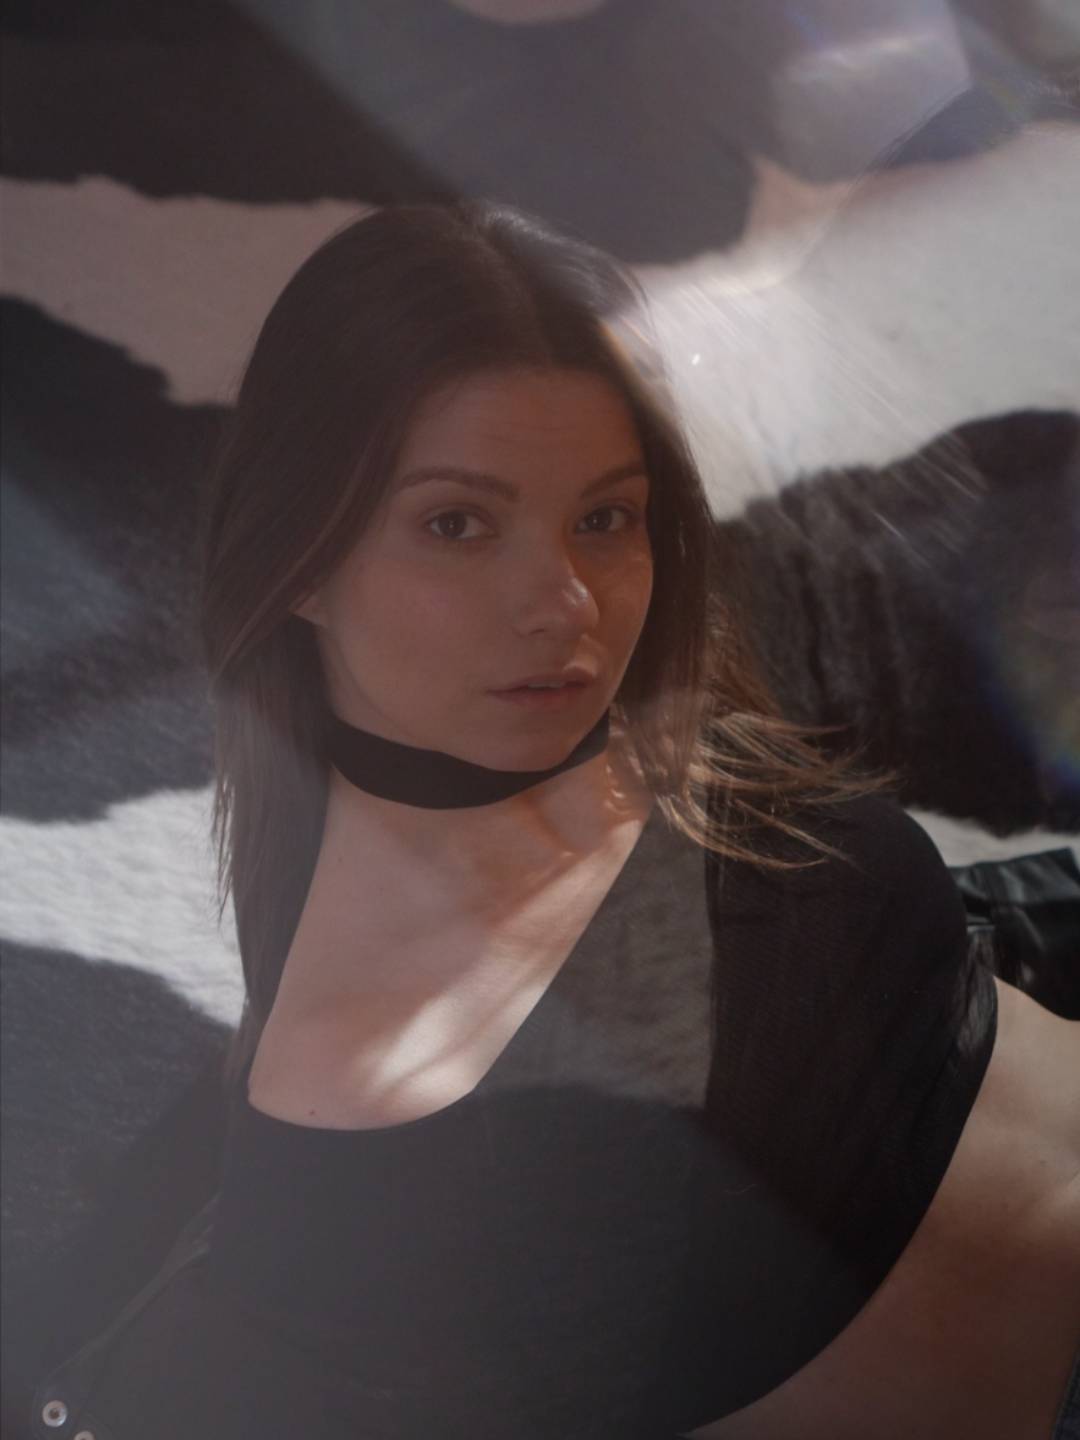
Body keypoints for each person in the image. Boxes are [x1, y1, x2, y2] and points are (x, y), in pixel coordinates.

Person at [32, 203, 1079, 1440]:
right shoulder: (396, 1098)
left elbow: (945, 963)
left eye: (604, 516)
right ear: (300, 554)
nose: (566, 601)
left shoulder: (514, 762)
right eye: (457, 524)